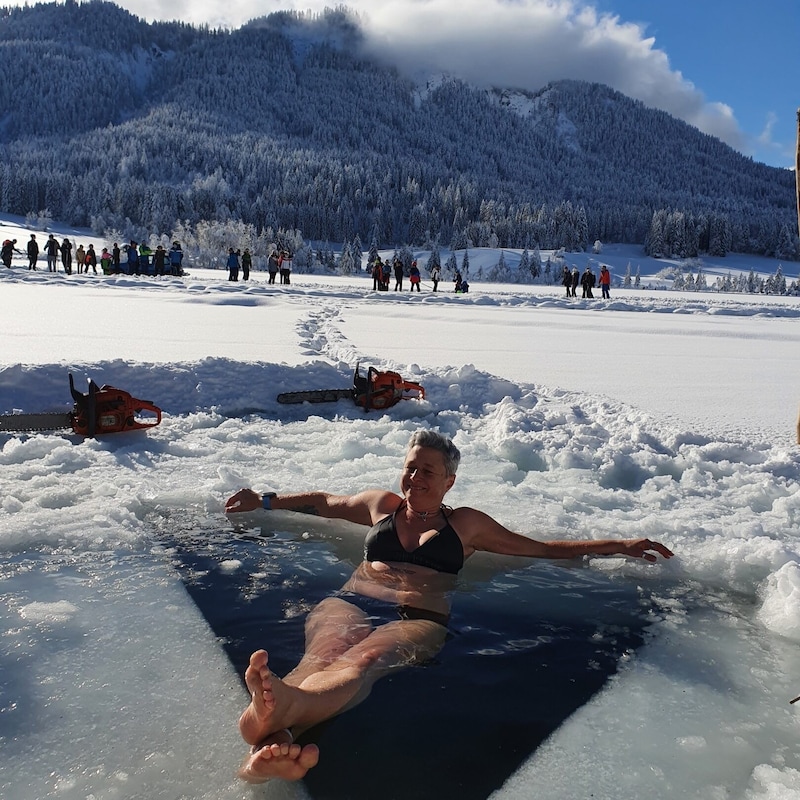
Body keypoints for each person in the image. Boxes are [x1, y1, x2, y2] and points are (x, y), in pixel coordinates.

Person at [225, 430, 673, 784]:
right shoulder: (380, 506)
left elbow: (542, 549)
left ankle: (277, 727)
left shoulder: (466, 525)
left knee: (364, 659)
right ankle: (274, 734)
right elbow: (324, 503)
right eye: (411, 468)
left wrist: (620, 545)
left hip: (418, 619)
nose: (416, 478)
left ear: (449, 481)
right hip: (354, 598)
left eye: (428, 472)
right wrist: (263, 500)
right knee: (324, 648)